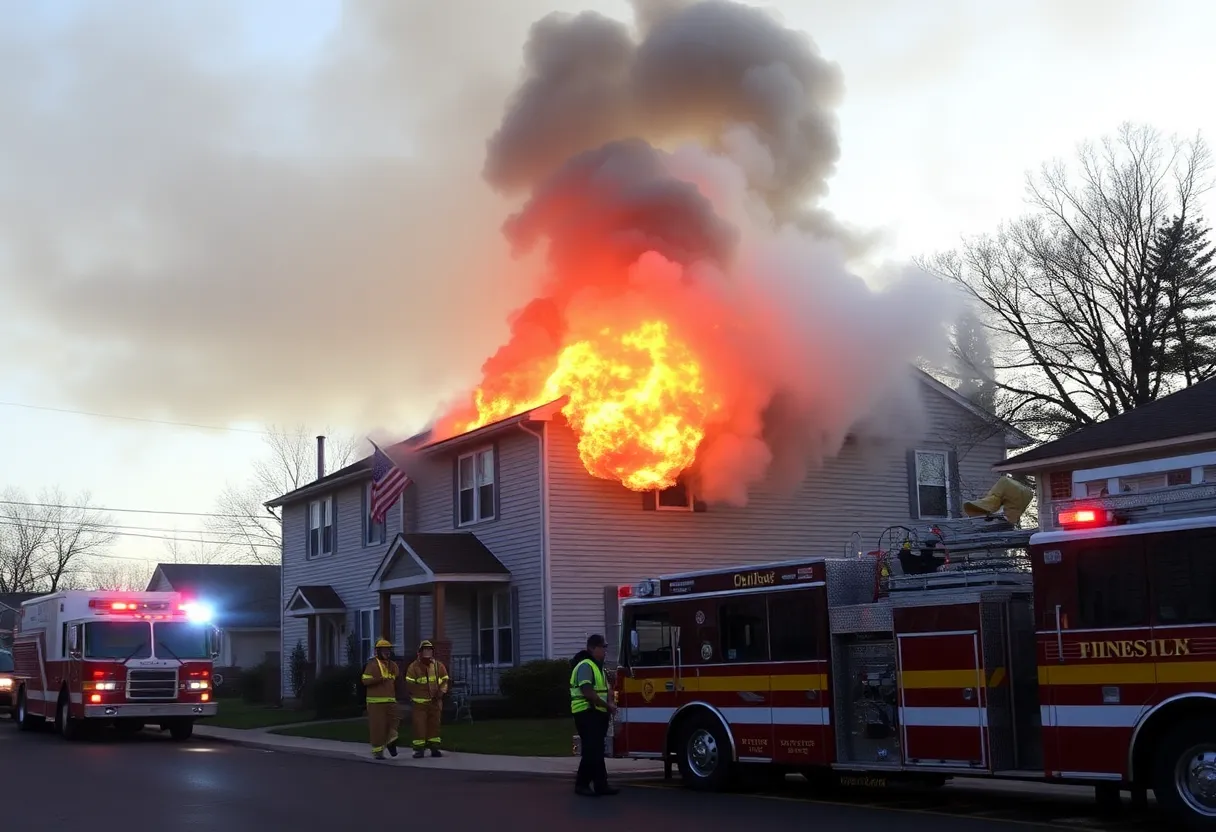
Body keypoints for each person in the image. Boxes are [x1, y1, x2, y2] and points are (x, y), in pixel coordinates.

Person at [570, 634, 619, 797]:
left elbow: (607, 689)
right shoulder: (586, 666)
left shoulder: (599, 667)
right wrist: (608, 706)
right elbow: (588, 692)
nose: (605, 650)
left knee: (597, 750)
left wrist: (610, 701)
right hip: (586, 712)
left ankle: (601, 784)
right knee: (591, 750)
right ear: (592, 648)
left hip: (597, 713)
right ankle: (581, 784)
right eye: (602, 647)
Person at [405, 639, 449, 758]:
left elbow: (445, 680)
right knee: (420, 727)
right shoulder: (413, 667)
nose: (427, 652)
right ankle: (419, 750)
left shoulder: (438, 666)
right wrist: (418, 695)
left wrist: (441, 691)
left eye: (429, 650)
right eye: (425, 650)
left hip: (435, 702)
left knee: (434, 726)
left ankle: (434, 748)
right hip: (420, 704)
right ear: (420, 652)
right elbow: (410, 684)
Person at [360, 638, 401, 760]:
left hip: (390, 700)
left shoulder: (392, 665)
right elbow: (365, 680)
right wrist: (378, 679)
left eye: (388, 649)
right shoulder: (372, 664)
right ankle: (378, 751)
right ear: (377, 651)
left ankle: (390, 741)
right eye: (384, 650)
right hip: (375, 702)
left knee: (396, 720)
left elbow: (396, 678)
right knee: (377, 727)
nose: (387, 652)